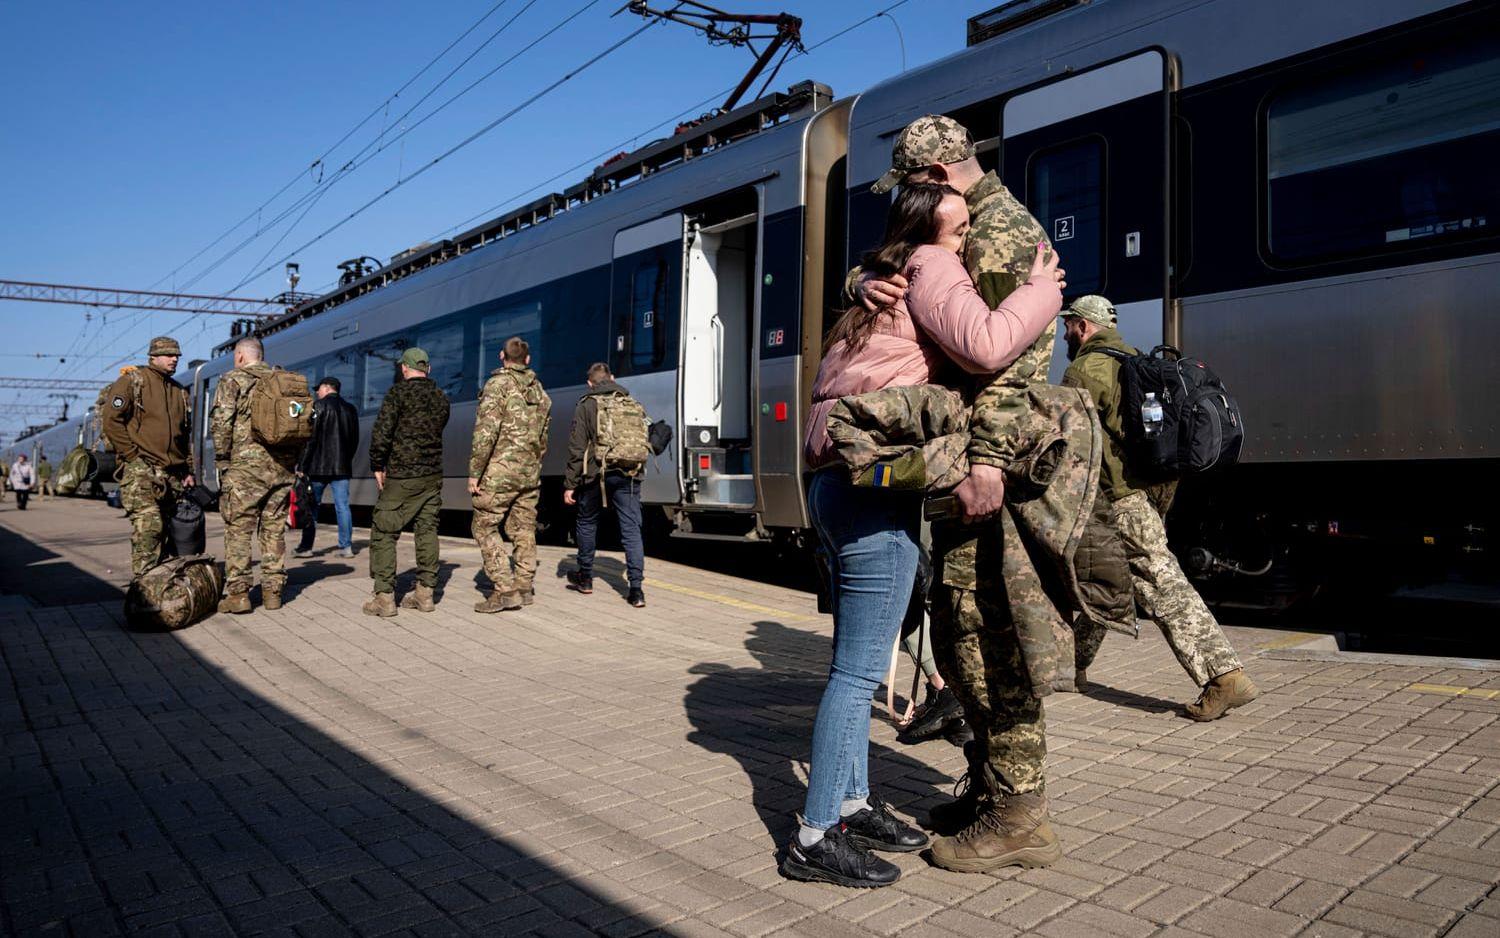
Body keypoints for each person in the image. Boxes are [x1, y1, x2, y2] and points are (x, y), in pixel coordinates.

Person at [785, 181, 1066, 888]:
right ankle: (815, 835)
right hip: (871, 492)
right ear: (926, 225)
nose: (967, 229)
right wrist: (1043, 292)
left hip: (832, 482)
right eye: (957, 221)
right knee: (856, 674)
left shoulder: (873, 286)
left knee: (853, 661)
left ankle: (852, 802)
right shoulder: (930, 263)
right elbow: (987, 345)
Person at [853, 115, 1077, 872]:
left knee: (991, 641)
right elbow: (903, 273)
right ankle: (989, 787)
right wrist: (863, 281)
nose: (906, 198)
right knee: (959, 634)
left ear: (939, 174)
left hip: (990, 469)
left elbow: (1014, 369)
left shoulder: (1000, 232)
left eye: (911, 184)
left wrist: (988, 462)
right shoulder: (963, 222)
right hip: (960, 463)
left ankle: (1019, 814)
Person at [1060, 295, 1259, 721]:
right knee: (1108, 577)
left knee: (1160, 582)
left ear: (1084, 326)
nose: (1065, 334)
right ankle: (1069, 665)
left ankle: (1224, 674)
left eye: (1069, 325)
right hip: (1151, 490)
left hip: (1118, 497)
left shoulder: (1084, 370)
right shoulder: (1134, 359)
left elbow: (1070, 443)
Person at [210, 336, 298, 612]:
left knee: (239, 529)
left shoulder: (232, 380)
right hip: (282, 467)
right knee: (274, 529)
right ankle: (273, 593)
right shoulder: (282, 379)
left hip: (246, 469)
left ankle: (239, 595)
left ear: (239, 356)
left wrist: (222, 459)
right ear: (261, 355)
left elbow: (222, 423)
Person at [364, 347, 450, 617]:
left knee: (384, 531)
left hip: (402, 474)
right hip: (432, 475)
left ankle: (384, 597)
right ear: (428, 369)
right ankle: (425, 594)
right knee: (427, 530)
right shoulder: (440, 397)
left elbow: (382, 433)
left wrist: (378, 464)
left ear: (404, 368)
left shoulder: (397, 394)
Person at [470, 336, 552, 613]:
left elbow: (485, 433)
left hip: (500, 472)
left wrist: (475, 473)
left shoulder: (497, 385)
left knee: (483, 526)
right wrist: (532, 462)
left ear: (501, 356)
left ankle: (505, 590)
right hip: (530, 472)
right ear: (527, 359)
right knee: (524, 527)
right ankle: (524, 586)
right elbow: (543, 437)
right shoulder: (539, 390)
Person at [101, 337, 194, 575]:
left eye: (177, 355)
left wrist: (187, 470)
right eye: (168, 355)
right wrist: (132, 456)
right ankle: (144, 586)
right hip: (142, 471)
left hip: (172, 475)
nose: (174, 359)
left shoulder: (179, 391)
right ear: (153, 357)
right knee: (150, 528)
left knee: (167, 534)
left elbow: (184, 435)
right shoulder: (132, 382)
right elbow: (111, 421)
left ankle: (160, 584)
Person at [563, 363, 647, 608]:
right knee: (631, 529)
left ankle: (586, 578)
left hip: (595, 474)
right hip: (629, 473)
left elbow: (577, 448)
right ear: (613, 378)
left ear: (590, 383)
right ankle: (636, 590)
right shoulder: (630, 402)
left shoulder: (586, 404)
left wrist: (570, 483)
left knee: (587, 522)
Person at [293, 376, 359, 559]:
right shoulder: (351, 409)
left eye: (319, 389)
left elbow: (311, 439)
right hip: (341, 468)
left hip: (318, 467)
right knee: (342, 507)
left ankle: (306, 547)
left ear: (328, 388)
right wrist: (346, 459)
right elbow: (354, 440)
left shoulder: (318, 407)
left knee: (312, 507)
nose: (317, 392)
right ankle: (346, 547)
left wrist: (302, 465)